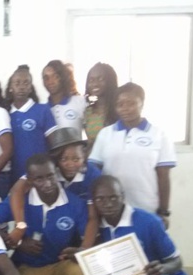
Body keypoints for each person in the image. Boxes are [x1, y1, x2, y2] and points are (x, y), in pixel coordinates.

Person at [6, 127, 101, 275]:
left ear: (85, 155)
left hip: (79, 220)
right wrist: (21, 226)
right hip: (56, 221)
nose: (70, 164)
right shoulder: (48, 169)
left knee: (78, 262)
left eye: (76, 158)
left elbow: (93, 217)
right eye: (64, 159)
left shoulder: (92, 174)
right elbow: (17, 191)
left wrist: (85, 249)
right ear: (56, 159)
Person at [0, 154, 91, 275]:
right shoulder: (21, 200)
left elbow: (89, 239)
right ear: (29, 180)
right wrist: (18, 243)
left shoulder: (75, 203)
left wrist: (79, 251)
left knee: (85, 274)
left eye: (50, 176)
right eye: (39, 178)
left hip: (61, 266)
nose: (46, 183)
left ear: (56, 174)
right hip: (30, 269)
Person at [90, 175, 189, 275]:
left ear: (123, 197)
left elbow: (177, 262)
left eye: (113, 197)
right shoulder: (97, 227)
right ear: (93, 201)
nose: (107, 204)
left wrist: (162, 268)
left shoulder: (148, 221)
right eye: (100, 199)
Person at [89, 82, 176, 226]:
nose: (125, 108)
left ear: (142, 103)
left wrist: (164, 211)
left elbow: (164, 177)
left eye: (131, 103)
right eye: (120, 104)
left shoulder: (159, 135)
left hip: (147, 209)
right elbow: (94, 173)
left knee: (146, 247)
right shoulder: (105, 134)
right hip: (111, 211)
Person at [4, 65, 58, 182]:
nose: (22, 87)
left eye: (26, 83)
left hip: (40, 177)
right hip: (14, 177)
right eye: (17, 83)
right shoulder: (5, 115)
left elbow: (55, 145)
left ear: (30, 88)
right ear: (10, 87)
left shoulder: (43, 110)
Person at [42, 60, 87, 132]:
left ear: (62, 78)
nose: (50, 82)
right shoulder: (42, 110)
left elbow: (92, 135)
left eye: (55, 76)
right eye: (46, 78)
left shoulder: (80, 102)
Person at [83, 62, 118, 151]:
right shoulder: (88, 112)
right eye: (91, 80)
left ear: (110, 80)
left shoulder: (119, 109)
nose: (95, 84)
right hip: (94, 161)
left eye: (100, 79)